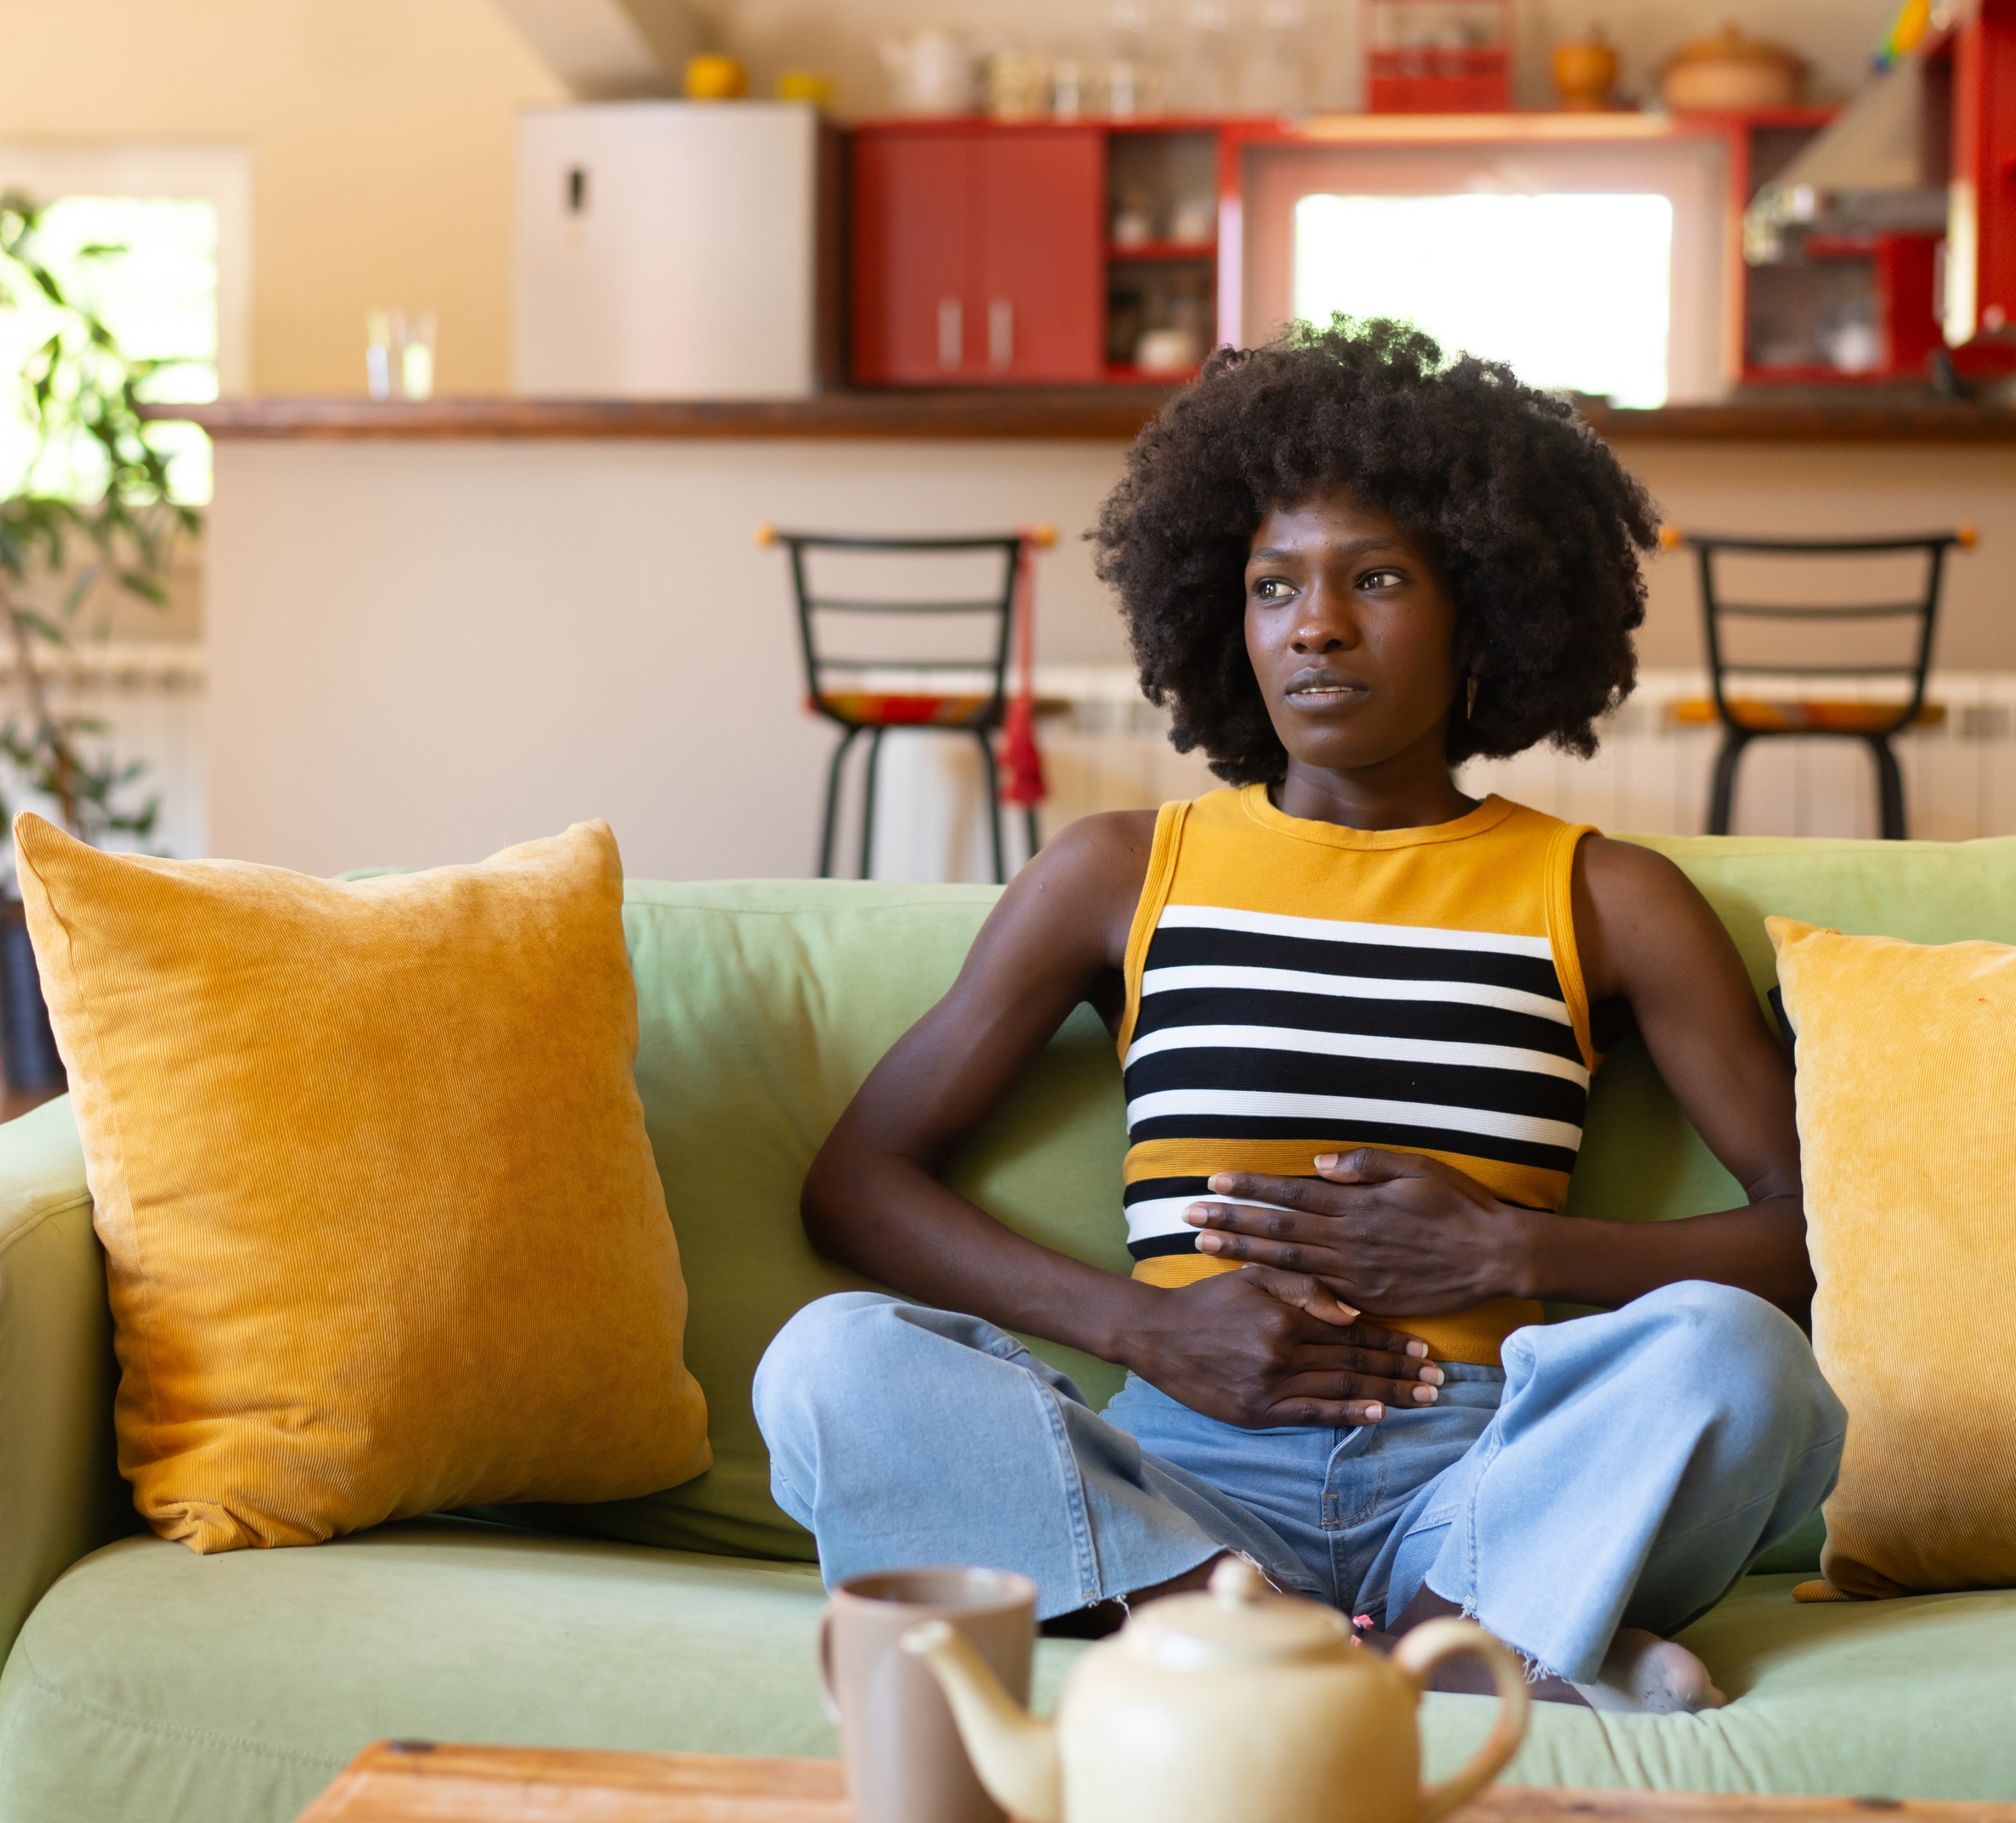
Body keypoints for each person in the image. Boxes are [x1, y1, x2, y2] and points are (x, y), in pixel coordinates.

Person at [753, 318, 1844, 1716]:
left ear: (1483, 615)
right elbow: (858, 1182)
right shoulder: (1120, 871)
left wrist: (1514, 1247)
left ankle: (1438, 1621)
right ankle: (1442, 1646)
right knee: (829, 1362)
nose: (1315, 623)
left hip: (1486, 1466)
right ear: (1227, 617)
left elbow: (1811, 1228)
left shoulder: (1608, 899)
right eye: (1275, 586)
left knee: (1742, 1361)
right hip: (1183, 1472)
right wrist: (1145, 1331)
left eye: (1375, 579)